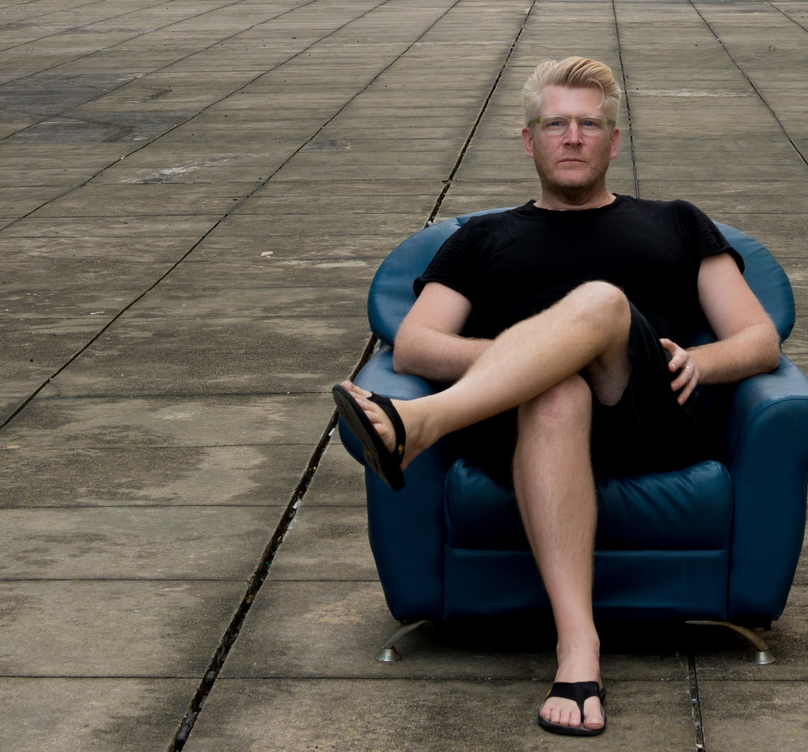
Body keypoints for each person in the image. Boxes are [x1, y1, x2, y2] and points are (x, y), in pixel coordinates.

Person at [331, 57, 783, 737]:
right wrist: (537, 365)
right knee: (556, 394)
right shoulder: (479, 238)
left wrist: (703, 359)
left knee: (603, 301)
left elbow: (759, 338)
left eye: (588, 123)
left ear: (613, 140)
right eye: (555, 123)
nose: (572, 136)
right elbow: (417, 343)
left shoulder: (678, 221)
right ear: (528, 139)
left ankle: (419, 424)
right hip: (519, 424)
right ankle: (578, 650)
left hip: (645, 411)